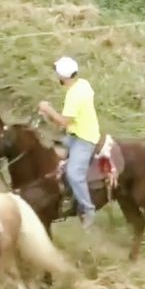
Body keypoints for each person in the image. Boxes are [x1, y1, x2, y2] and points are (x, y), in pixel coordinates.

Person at [37, 56, 100, 230]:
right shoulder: (83, 84)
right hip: (76, 133)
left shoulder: (74, 96)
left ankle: (88, 209)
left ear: (62, 76)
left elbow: (64, 122)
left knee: (74, 174)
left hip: (83, 139)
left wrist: (47, 109)